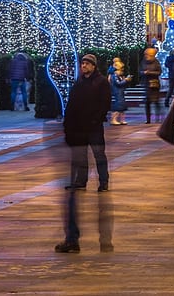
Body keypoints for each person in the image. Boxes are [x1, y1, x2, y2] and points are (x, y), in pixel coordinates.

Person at [55, 53, 111, 254]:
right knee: (80, 159)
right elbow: (71, 106)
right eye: (83, 64)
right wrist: (68, 126)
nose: (84, 66)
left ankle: (103, 181)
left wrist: (96, 120)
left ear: (94, 66)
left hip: (94, 127)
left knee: (99, 155)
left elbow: (105, 103)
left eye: (87, 64)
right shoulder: (78, 85)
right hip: (80, 129)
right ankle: (81, 181)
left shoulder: (101, 82)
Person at [141, 47, 163, 123]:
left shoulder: (156, 62)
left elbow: (159, 72)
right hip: (147, 84)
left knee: (156, 102)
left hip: (154, 84)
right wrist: (143, 73)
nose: (146, 55)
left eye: (147, 54)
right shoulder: (144, 61)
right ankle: (148, 119)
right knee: (147, 102)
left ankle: (158, 118)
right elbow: (140, 70)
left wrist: (150, 72)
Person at [108, 57, 132, 125]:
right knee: (118, 106)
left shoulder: (118, 76)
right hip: (117, 92)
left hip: (120, 92)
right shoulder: (114, 76)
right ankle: (114, 119)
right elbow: (118, 83)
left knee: (122, 106)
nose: (122, 71)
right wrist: (126, 80)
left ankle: (121, 119)